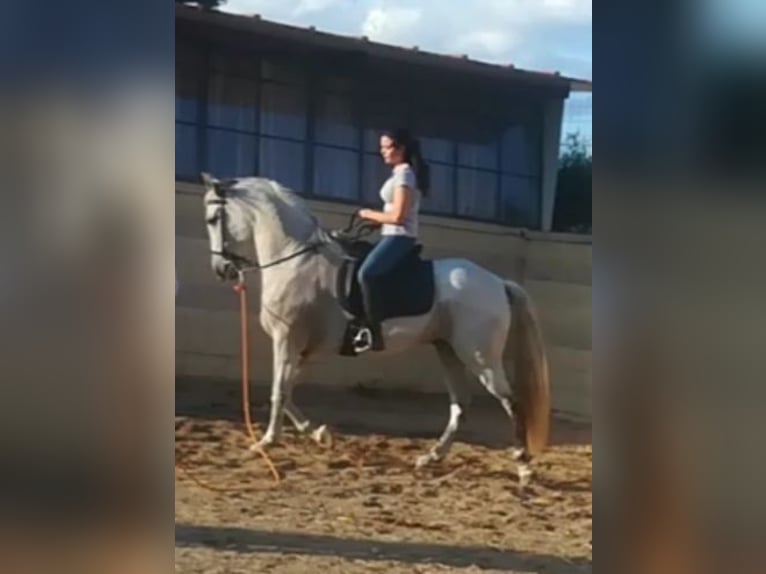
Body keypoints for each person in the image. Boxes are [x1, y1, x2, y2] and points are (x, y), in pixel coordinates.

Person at [355, 128, 430, 351]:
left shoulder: (405, 174)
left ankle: (373, 332)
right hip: (390, 234)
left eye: (387, 147)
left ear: (401, 149)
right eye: (382, 147)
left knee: (366, 274)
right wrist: (377, 222)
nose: (383, 152)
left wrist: (369, 214)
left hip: (400, 238)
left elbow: (398, 217)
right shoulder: (399, 173)